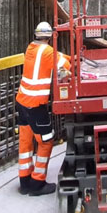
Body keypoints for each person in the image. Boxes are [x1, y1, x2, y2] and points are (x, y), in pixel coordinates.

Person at [15, 21, 69, 196]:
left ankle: (25, 181)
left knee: (25, 141)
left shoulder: (31, 48)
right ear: (50, 36)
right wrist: (76, 60)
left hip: (22, 101)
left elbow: (57, 56)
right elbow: (65, 65)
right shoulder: (48, 52)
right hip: (35, 105)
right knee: (46, 141)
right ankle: (38, 183)